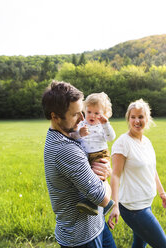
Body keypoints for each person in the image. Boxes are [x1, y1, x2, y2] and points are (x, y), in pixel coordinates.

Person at [42, 81, 116, 248]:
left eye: (82, 112)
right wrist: (104, 176)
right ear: (55, 116)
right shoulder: (65, 149)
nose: (83, 119)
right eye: (76, 114)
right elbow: (103, 198)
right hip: (82, 237)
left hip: (96, 224)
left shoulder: (62, 137)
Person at [108, 99, 166, 248]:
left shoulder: (146, 142)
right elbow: (115, 175)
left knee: (138, 244)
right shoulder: (123, 143)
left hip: (145, 203)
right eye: (133, 117)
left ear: (147, 119)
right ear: (128, 119)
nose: (137, 121)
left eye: (140, 117)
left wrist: (161, 192)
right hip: (133, 208)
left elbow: (151, 169)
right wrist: (115, 205)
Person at [70, 92, 116, 216]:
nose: (92, 115)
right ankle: (107, 204)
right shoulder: (82, 124)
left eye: (97, 113)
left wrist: (106, 124)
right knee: (87, 177)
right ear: (84, 110)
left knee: (97, 176)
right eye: (89, 111)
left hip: (99, 155)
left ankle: (92, 202)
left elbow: (111, 137)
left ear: (103, 115)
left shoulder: (102, 126)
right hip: (86, 155)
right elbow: (72, 136)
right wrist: (80, 133)